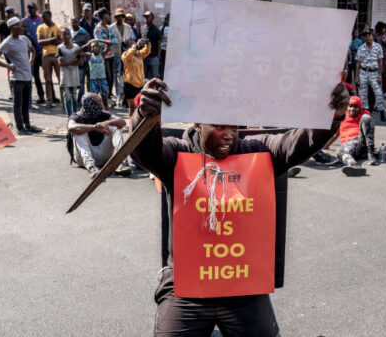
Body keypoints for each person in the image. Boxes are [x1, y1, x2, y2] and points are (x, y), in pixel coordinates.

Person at [129, 77, 347, 336]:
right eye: (220, 126)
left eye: (234, 126)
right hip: (187, 288)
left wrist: (332, 116)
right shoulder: (178, 155)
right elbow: (144, 152)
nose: (229, 134)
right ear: (198, 123)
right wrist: (144, 116)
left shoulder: (256, 153)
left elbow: (296, 143)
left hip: (243, 287)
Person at [0, 17, 41, 135]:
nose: (22, 27)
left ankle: (27, 125)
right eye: (19, 25)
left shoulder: (24, 39)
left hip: (27, 77)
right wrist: (8, 66)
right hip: (17, 78)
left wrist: (31, 60)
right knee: (17, 104)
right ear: (12, 28)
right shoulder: (7, 42)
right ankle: (20, 128)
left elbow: (32, 49)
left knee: (26, 104)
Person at [68, 92, 131, 178]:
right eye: (98, 103)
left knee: (116, 128)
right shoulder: (77, 116)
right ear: (89, 105)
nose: (100, 106)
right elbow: (70, 127)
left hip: (103, 156)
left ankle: (122, 162)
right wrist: (94, 127)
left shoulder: (103, 114)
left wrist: (108, 122)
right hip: (83, 159)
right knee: (78, 132)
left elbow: (122, 122)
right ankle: (91, 167)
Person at [334, 95, 377, 176]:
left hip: (361, 141)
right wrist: (325, 147)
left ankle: (371, 153)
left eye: (355, 107)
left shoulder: (363, 114)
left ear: (360, 108)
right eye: (350, 106)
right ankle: (354, 166)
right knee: (340, 151)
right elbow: (335, 135)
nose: (352, 109)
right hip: (350, 147)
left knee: (366, 117)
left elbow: (368, 128)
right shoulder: (342, 116)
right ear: (347, 107)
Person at [355, 29, 386, 122]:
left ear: (373, 36)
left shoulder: (378, 47)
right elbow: (358, 63)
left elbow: (381, 62)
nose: (368, 37)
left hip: (374, 72)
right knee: (363, 94)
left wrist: (380, 75)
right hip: (363, 72)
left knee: (378, 93)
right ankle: (365, 113)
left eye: (369, 35)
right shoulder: (361, 48)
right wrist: (356, 76)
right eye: (366, 36)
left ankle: (382, 113)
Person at [57, 27, 88, 117]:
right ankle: (69, 118)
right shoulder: (60, 48)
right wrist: (73, 62)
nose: (66, 36)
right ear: (61, 36)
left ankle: (75, 117)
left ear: (70, 35)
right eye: (64, 34)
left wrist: (75, 61)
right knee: (67, 96)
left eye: (67, 34)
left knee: (74, 95)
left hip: (74, 73)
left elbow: (81, 61)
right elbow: (61, 63)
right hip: (65, 74)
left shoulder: (75, 47)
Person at [36, 10, 62, 107]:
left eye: (45, 17)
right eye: (42, 17)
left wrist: (47, 41)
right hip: (46, 55)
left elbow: (61, 41)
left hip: (57, 55)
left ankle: (63, 100)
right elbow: (40, 42)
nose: (43, 19)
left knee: (60, 78)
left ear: (50, 16)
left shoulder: (58, 26)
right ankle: (49, 100)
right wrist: (54, 39)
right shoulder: (40, 27)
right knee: (47, 79)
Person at [93, 8, 118, 109]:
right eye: (108, 14)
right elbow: (100, 43)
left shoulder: (109, 27)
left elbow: (115, 40)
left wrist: (108, 41)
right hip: (103, 56)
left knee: (111, 77)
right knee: (106, 77)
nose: (109, 16)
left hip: (111, 55)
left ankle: (108, 96)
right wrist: (109, 41)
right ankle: (105, 98)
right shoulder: (97, 29)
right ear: (103, 16)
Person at [121, 37, 150, 117]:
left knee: (140, 106)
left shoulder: (138, 54)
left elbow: (146, 51)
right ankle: (131, 124)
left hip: (140, 84)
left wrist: (147, 43)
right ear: (127, 46)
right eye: (131, 42)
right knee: (132, 107)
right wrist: (136, 45)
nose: (134, 42)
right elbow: (129, 54)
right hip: (130, 84)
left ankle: (138, 124)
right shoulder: (125, 55)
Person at [23, 2, 46, 104]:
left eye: (32, 8)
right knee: (35, 75)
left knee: (47, 75)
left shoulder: (42, 19)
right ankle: (41, 96)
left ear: (36, 8)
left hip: (44, 51)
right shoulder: (25, 21)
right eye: (29, 8)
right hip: (33, 52)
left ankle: (52, 96)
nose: (31, 10)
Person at [110, 8, 131, 107]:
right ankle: (119, 95)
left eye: (121, 16)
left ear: (123, 17)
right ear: (115, 17)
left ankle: (126, 96)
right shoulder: (111, 28)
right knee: (117, 75)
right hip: (116, 55)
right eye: (117, 16)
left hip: (127, 55)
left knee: (126, 75)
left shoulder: (128, 27)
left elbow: (130, 39)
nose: (119, 18)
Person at [70, 16, 92, 104]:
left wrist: (84, 60)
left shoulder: (84, 34)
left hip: (80, 61)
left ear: (79, 23)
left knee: (81, 82)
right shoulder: (68, 32)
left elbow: (87, 49)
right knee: (72, 82)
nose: (74, 24)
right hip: (70, 61)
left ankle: (80, 100)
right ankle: (72, 99)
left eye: (75, 22)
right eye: (72, 22)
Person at [0, 7, 17, 100]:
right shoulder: (2, 24)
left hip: (17, 49)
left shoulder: (16, 23)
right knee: (10, 69)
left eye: (10, 12)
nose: (9, 14)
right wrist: (2, 51)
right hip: (8, 50)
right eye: (7, 13)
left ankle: (19, 91)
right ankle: (12, 92)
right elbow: (1, 39)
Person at [86, 41, 110, 111]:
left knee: (105, 99)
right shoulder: (89, 55)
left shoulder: (102, 55)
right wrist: (87, 44)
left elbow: (109, 44)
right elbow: (77, 52)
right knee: (94, 99)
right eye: (93, 47)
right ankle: (95, 113)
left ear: (100, 48)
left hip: (102, 79)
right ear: (91, 49)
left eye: (97, 46)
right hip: (93, 80)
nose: (95, 48)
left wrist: (99, 40)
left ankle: (107, 114)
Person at [142, 11, 161, 80]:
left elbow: (159, 44)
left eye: (148, 17)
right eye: (145, 17)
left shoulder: (156, 30)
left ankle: (154, 90)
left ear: (152, 18)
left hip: (153, 57)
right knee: (144, 77)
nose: (146, 18)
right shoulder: (142, 28)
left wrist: (158, 56)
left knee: (155, 77)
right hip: (143, 57)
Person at [159, 13, 169, 79]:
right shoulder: (161, 27)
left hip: (169, 50)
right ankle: (162, 77)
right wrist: (163, 26)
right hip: (163, 49)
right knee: (162, 64)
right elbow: (160, 36)